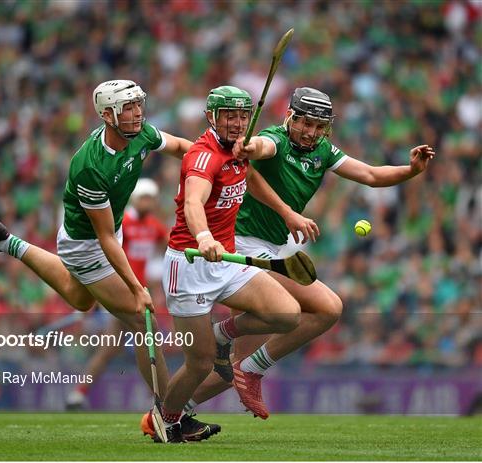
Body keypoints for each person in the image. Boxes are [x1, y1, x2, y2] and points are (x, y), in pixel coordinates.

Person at [0, 79, 217, 439]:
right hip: (86, 244)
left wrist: (214, 160)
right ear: (107, 115)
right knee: (140, 316)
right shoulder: (91, 166)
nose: (136, 114)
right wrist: (137, 287)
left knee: (80, 297)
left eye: (138, 105)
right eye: (127, 108)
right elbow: (103, 238)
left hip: (105, 235)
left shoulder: (141, 133)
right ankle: (168, 417)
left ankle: (7, 242)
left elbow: (182, 146)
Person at [183, 86, 436, 419]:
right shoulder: (276, 138)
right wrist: (250, 148)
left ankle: (176, 410)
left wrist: (410, 171)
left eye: (319, 127)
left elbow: (371, 175)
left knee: (238, 367)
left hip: (278, 246)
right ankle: (226, 348)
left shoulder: (324, 151)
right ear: (290, 117)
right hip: (244, 244)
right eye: (305, 123)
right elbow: (261, 146)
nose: (311, 132)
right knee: (325, 308)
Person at [156, 85, 307, 442]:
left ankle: (224, 334)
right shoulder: (203, 156)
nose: (238, 123)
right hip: (189, 265)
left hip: (224, 262)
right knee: (200, 364)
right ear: (212, 117)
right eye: (230, 116)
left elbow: (249, 178)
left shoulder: (239, 151)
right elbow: (194, 201)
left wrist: (285, 212)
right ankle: (167, 419)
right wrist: (204, 236)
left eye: (243, 115)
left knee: (287, 314)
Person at [65, 178, 167, 410]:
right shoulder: (124, 223)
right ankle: (162, 400)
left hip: (141, 294)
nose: (148, 202)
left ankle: (78, 393)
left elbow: (168, 246)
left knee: (115, 347)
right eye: (145, 198)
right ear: (135, 199)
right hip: (122, 291)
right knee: (146, 343)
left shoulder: (154, 225)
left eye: (152, 198)